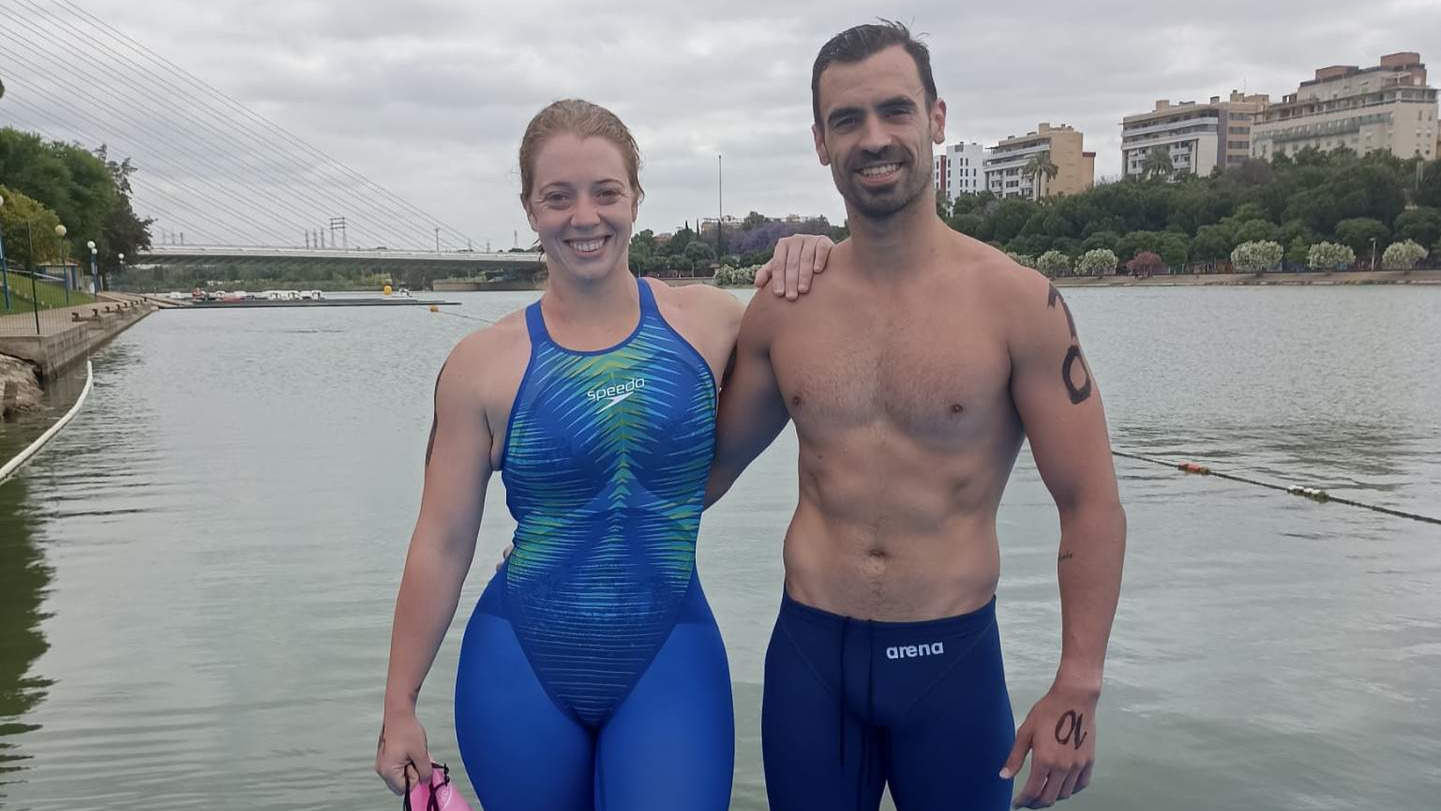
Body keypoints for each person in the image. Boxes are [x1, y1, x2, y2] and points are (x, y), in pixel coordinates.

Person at [705, 22, 1127, 811]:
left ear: (936, 119)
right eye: (846, 120)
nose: (874, 138)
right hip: (809, 661)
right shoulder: (785, 306)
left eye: (895, 111)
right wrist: (558, 534)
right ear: (819, 143)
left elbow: (1091, 503)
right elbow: (702, 476)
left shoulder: (1018, 303)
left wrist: (1078, 682)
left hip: (951, 664)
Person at [373, 99, 829, 811]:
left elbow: (826, 338)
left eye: (605, 192)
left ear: (636, 199)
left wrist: (813, 251)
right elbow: (442, 539)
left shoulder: (712, 323)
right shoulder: (480, 365)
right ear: (529, 207)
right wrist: (399, 703)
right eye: (558, 197)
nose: (584, 217)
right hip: (519, 662)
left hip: (668, 654)